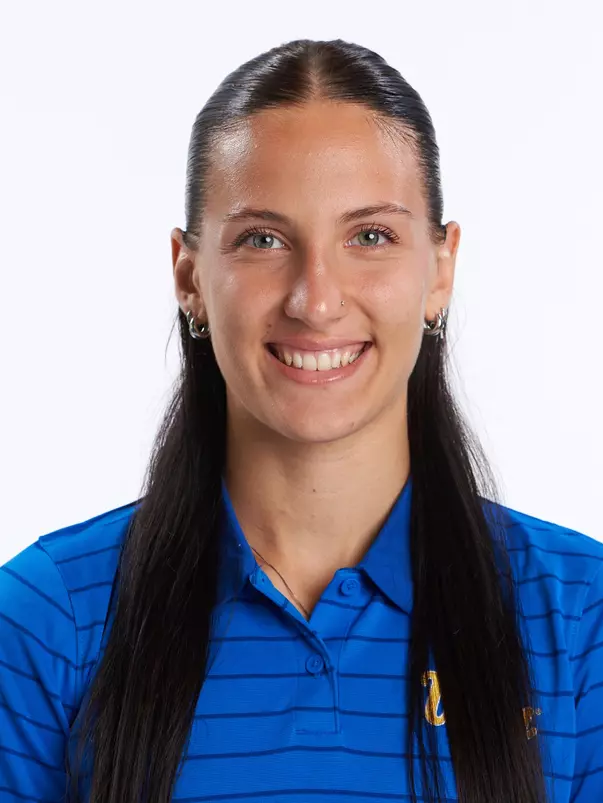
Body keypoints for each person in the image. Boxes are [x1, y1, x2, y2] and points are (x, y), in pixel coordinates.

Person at [0, 38, 601, 803]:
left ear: (439, 269)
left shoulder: (580, 618)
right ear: (189, 276)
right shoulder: (47, 620)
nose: (315, 300)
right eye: (263, 239)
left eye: (370, 237)